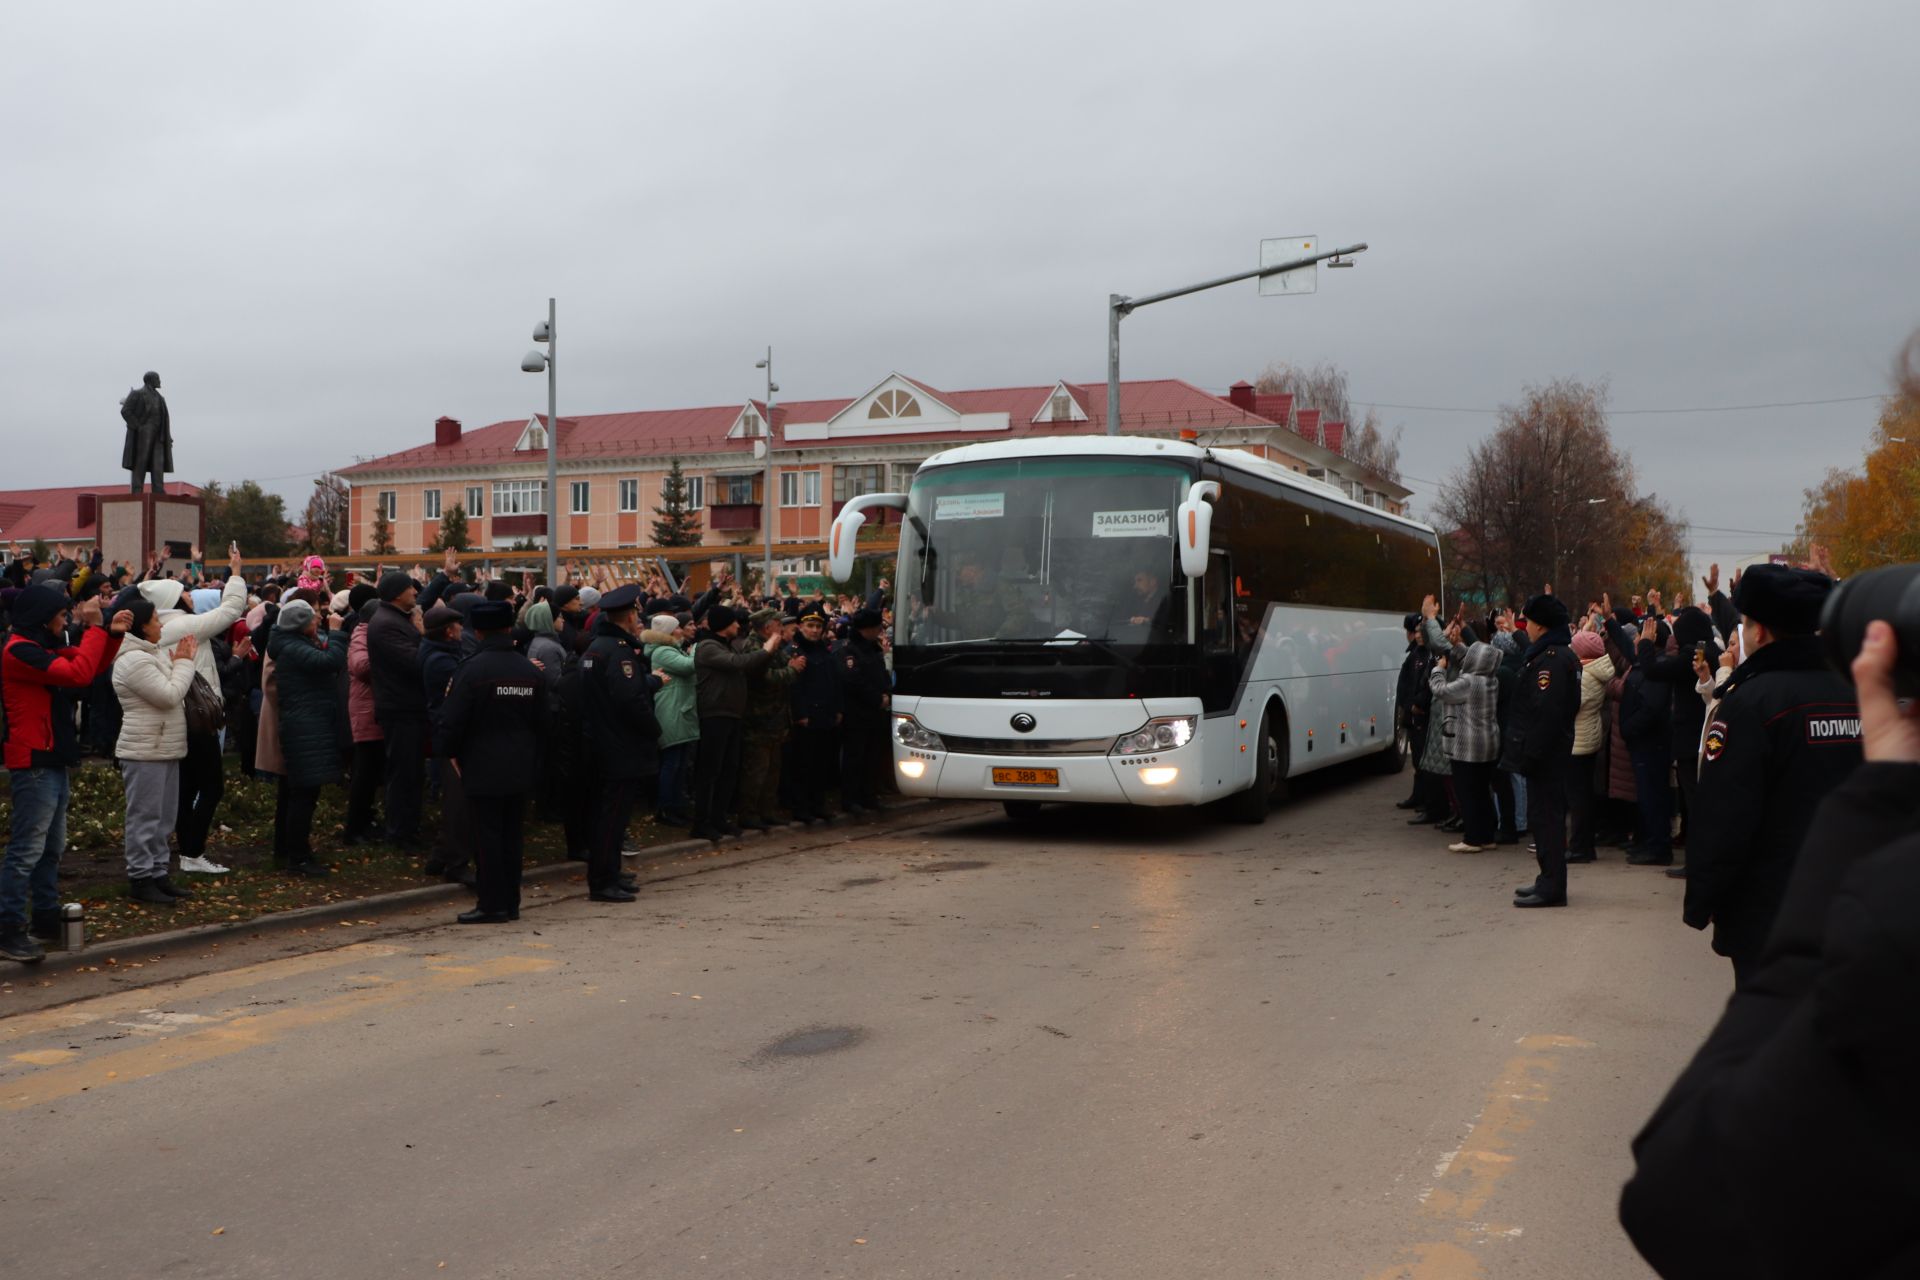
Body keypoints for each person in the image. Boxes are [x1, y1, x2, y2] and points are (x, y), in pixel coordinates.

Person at [1618, 617, 1915, 1277]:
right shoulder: (1826, 697)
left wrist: (1714, 903)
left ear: (1754, 626)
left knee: (1793, 1059)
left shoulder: (1750, 702)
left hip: (1793, 907)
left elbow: (1681, 1200)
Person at [1683, 565, 1860, 988]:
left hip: (1772, 911)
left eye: (1744, 622)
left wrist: (1703, 898)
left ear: (1759, 632)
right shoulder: (1858, 695)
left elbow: (1724, 814)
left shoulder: (1750, 705)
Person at [1, 584, 130, 962]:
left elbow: (91, 666)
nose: (64, 621)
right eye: (60, 615)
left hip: (52, 758)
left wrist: (109, 634)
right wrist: (94, 627)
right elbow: (78, 675)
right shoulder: (18, 651)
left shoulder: (39, 645)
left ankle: (43, 918)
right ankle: (8, 928)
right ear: (43, 617)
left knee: (51, 849)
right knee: (26, 850)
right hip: (34, 760)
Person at [142, 543, 249, 875]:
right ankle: (192, 850)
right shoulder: (180, 626)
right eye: (183, 593)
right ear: (172, 601)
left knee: (188, 786)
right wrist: (234, 574)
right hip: (196, 720)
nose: (189, 595)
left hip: (184, 717)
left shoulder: (168, 626)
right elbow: (230, 611)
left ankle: (187, 849)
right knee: (211, 786)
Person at [441, 600, 548, 924]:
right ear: (507, 629)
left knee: (486, 837)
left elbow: (453, 719)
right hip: (520, 765)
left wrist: (450, 753)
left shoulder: (471, 670)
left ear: (478, 631)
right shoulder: (530, 670)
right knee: (512, 836)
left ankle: (490, 904)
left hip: (481, 765)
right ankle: (511, 902)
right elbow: (545, 722)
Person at [109, 591, 202, 904]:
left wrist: (178, 663)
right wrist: (185, 662)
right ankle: (140, 877)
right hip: (144, 750)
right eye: (155, 620)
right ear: (142, 627)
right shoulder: (133, 660)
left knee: (163, 817)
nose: (161, 625)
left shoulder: (152, 653)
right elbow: (169, 695)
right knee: (144, 817)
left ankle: (158, 873)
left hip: (164, 746)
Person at [1499, 595, 1582, 908]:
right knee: (1543, 819)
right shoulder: (1553, 655)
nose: (1526, 627)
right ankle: (1547, 877)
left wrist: (1531, 753)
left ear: (1542, 626)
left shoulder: (1552, 660)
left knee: (1546, 820)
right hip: (1547, 753)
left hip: (1545, 756)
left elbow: (1546, 713)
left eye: (1529, 622)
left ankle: (1552, 887)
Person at [578, 585, 659, 900]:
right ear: (629, 616)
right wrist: (653, 728)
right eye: (637, 614)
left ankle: (610, 873)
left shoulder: (597, 647)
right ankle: (602, 881)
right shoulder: (618, 652)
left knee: (608, 815)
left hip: (601, 743)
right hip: (619, 747)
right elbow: (629, 701)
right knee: (611, 817)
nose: (639, 620)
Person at [266, 599, 348, 877]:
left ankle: (291, 850)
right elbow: (330, 661)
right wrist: (336, 633)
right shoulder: (293, 648)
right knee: (303, 795)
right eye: (313, 619)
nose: (319, 622)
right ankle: (298, 858)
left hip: (308, 724)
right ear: (301, 625)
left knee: (298, 793)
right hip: (305, 727)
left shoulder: (291, 644)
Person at [690, 605, 782, 840]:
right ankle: (701, 822)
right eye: (733, 623)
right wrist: (767, 650)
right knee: (710, 772)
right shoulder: (708, 647)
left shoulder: (724, 645)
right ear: (723, 625)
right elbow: (737, 663)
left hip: (731, 715)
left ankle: (719, 819)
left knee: (728, 771)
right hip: (715, 716)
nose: (738, 626)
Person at [1427, 621, 1502, 853]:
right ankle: (1487, 835)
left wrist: (1438, 669)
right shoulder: (1490, 678)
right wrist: (1457, 645)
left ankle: (1472, 838)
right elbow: (1470, 659)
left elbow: (1441, 691)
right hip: (1487, 743)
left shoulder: (1468, 682)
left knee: (1467, 792)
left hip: (1467, 745)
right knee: (1482, 791)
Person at [366, 571, 427, 847]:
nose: (415, 592)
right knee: (403, 772)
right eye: (410, 588)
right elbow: (416, 662)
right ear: (396, 594)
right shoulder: (386, 625)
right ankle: (400, 834)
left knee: (411, 771)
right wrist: (422, 634)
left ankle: (408, 829)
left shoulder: (395, 618)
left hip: (407, 707)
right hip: (400, 708)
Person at [737, 608, 804, 830]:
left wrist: (792, 666)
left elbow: (787, 663)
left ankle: (767, 811)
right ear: (767, 628)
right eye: (778, 624)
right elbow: (764, 678)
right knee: (756, 770)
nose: (781, 628)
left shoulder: (774, 646)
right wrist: (792, 671)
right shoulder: (753, 647)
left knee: (772, 770)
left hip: (775, 718)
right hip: (758, 719)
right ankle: (749, 813)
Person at [419, 604, 471, 885]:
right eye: (458, 626)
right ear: (449, 632)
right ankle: (454, 862)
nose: (462, 630)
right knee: (457, 802)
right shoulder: (441, 661)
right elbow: (453, 701)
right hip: (448, 734)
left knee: (455, 801)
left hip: (444, 731)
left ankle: (440, 856)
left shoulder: (443, 654)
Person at [1619, 616, 1675, 866]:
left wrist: (1629, 728)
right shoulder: (1647, 664)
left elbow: (1652, 708)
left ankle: (1658, 848)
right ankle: (1651, 843)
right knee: (1648, 795)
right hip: (1643, 742)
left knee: (1654, 795)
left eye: (1642, 635)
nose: (1636, 639)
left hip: (1651, 742)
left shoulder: (1658, 667)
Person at [641, 613, 698, 826]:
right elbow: (688, 666)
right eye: (678, 627)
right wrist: (697, 652)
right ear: (669, 631)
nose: (682, 630)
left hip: (679, 710)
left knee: (680, 763)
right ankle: (665, 808)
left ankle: (677, 805)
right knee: (672, 763)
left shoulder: (672, 648)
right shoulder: (663, 651)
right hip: (671, 711)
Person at [788, 606, 843, 823]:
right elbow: (795, 687)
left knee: (821, 764)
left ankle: (818, 804)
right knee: (804, 765)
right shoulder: (795, 651)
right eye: (810, 626)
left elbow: (834, 683)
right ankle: (801, 807)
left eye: (818, 626)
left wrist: (838, 709)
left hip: (825, 715)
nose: (814, 630)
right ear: (800, 627)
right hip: (807, 716)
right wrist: (800, 713)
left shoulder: (824, 651)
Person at [835, 607, 891, 814]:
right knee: (854, 757)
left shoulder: (873, 649)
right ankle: (851, 799)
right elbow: (853, 681)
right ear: (866, 629)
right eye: (877, 627)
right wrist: (877, 698)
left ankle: (869, 796)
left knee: (872, 757)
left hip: (875, 714)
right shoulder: (848, 651)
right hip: (857, 713)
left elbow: (881, 674)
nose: (879, 631)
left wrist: (886, 694)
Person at [1567, 628, 1615, 863]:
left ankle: (1579, 846)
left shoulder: (1585, 676)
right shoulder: (1594, 671)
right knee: (1583, 795)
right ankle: (1582, 844)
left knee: (1579, 798)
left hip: (1579, 741)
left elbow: (1571, 705)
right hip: (1587, 738)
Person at [342, 590, 385, 844]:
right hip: (366, 712)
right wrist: (387, 655)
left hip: (372, 711)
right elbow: (360, 666)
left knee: (372, 773)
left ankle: (366, 820)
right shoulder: (362, 635)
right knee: (364, 773)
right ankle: (354, 829)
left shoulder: (370, 633)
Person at [119, 370, 172, 495]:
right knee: (141, 460)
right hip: (144, 432)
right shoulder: (137, 394)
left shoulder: (160, 398)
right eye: (157, 378)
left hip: (159, 434)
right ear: (150, 380)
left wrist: (168, 436)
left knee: (158, 462)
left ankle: (158, 489)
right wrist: (138, 427)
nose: (160, 381)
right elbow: (125, 410)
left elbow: (164, 418)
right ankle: (137, 489)